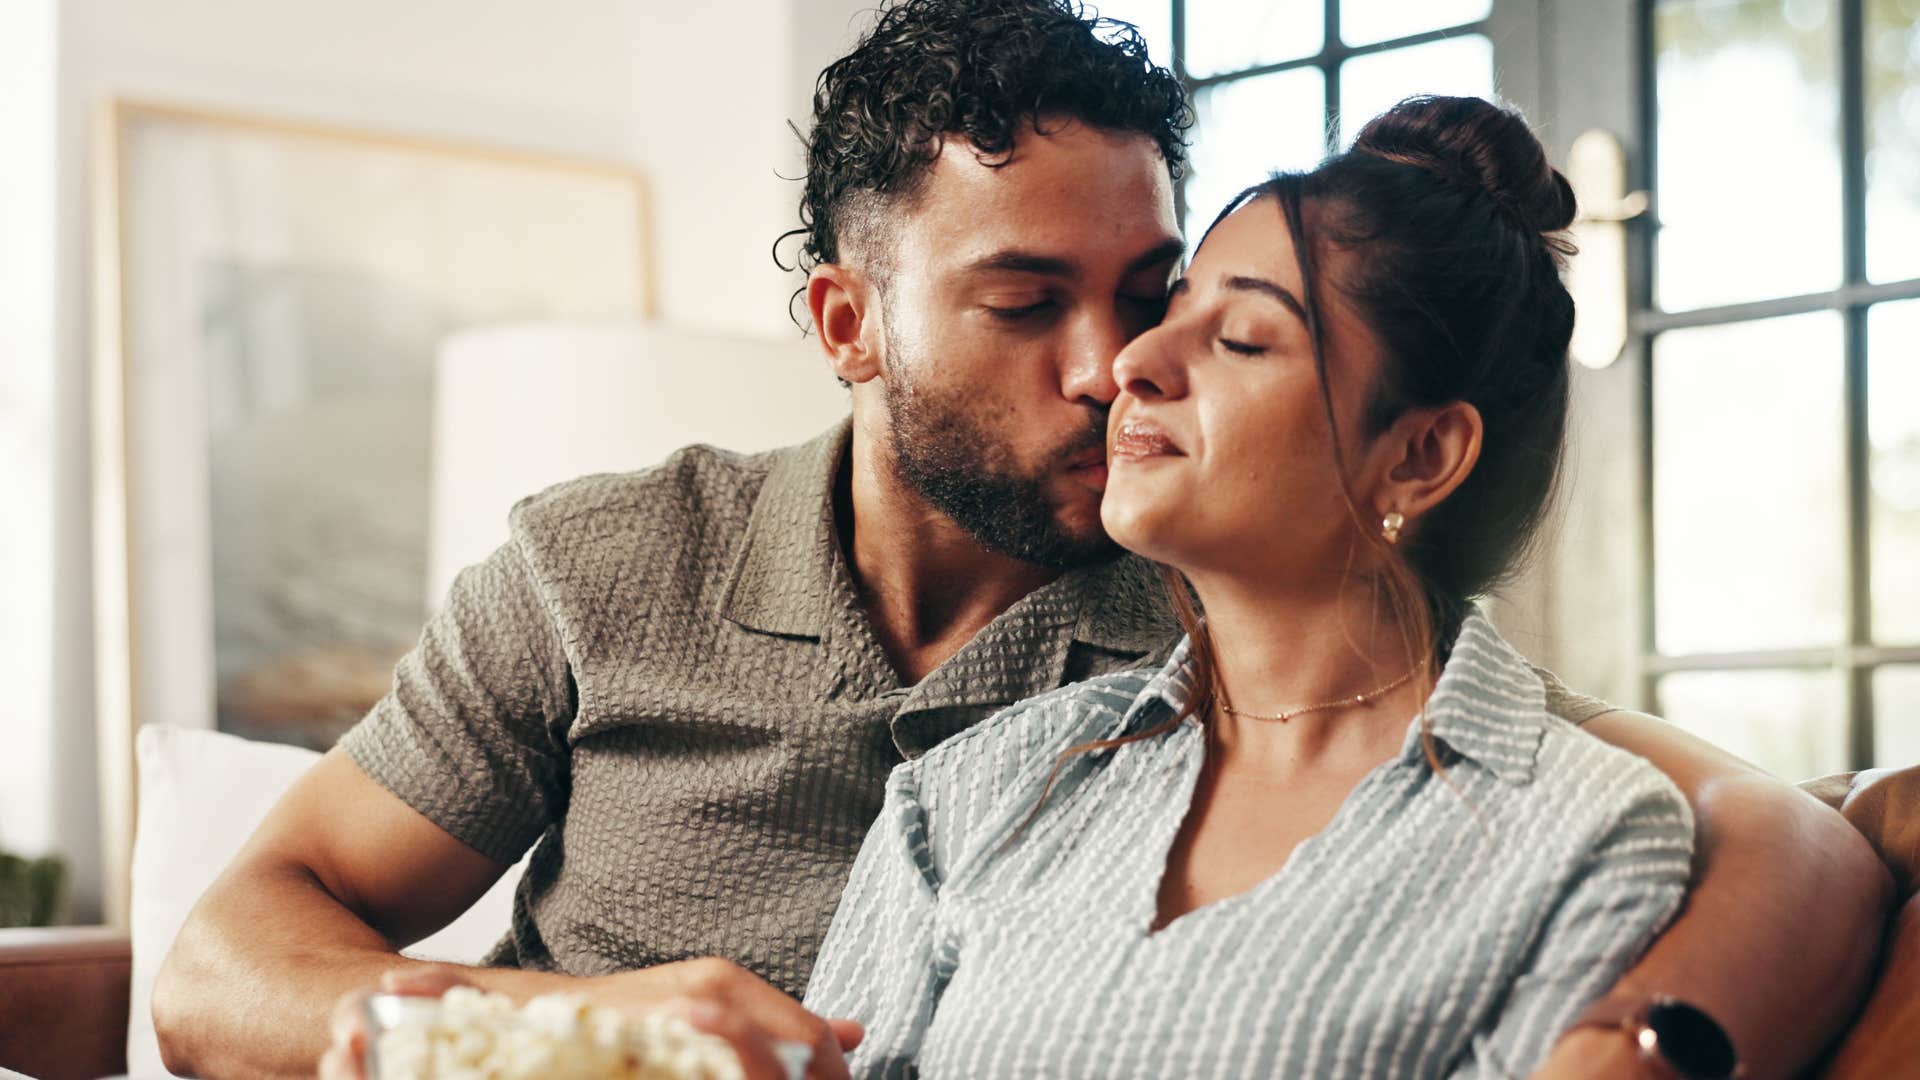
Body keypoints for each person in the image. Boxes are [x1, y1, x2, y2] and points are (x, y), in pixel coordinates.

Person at [148, 3, 1886, 1079]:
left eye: (1155, 294)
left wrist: (1641, 1038)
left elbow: (1755, 827)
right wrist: (589, 1025)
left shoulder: (1223, 603)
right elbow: (223, 969)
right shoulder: (607, 566)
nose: (1111, 364)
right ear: (848, 324)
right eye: (1023, 301)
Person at [801, 95, 1692, 1078]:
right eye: (1175, 310)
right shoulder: (968, 792)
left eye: (1242, 340)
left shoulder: (1587, 835)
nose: (1132, 362)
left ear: (1422, 453)